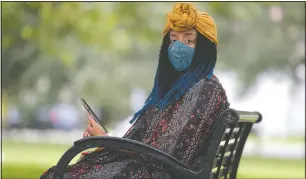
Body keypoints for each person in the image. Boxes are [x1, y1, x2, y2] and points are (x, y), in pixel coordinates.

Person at [41, 2, 229, 179]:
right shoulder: (189, 88)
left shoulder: (205, 90)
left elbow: (166, 154)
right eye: (173, 39)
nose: (178, 47)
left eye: (188, 40)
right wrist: (108, 141)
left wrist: (107, 141)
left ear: (205, 47)